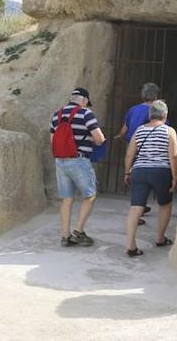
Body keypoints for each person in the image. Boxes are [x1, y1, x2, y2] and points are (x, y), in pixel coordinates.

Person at [50, 87, 106, 247]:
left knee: (66, 199)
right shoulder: (86, 114)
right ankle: (79, 232)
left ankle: (65, 236)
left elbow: (52, 141)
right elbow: (99, 138)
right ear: (85, 100)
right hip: (79, 160)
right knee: (90, 195)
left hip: (60, 161)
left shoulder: (57, 114)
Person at [123, 100, 177, 257]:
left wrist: (127, 173)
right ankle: (160, 238)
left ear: (150, 115)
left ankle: (130, 245)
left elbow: (129, 154)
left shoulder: (139, 130)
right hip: (161, 171)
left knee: (136, 207)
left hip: (139, 171)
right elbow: (174, 155)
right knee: (165, 204)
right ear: (165, 115)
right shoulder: (169, 131)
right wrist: (175, 177)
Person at [115, 82, 162, 221]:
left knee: (136, 176)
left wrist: (120, 136)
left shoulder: (133, 109)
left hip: (132, 144)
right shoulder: (157, 111)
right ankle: (138, 209)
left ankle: (141, 205)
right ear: (156, 95)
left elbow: (125, 127)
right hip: (148, 147)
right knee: (144, 178)